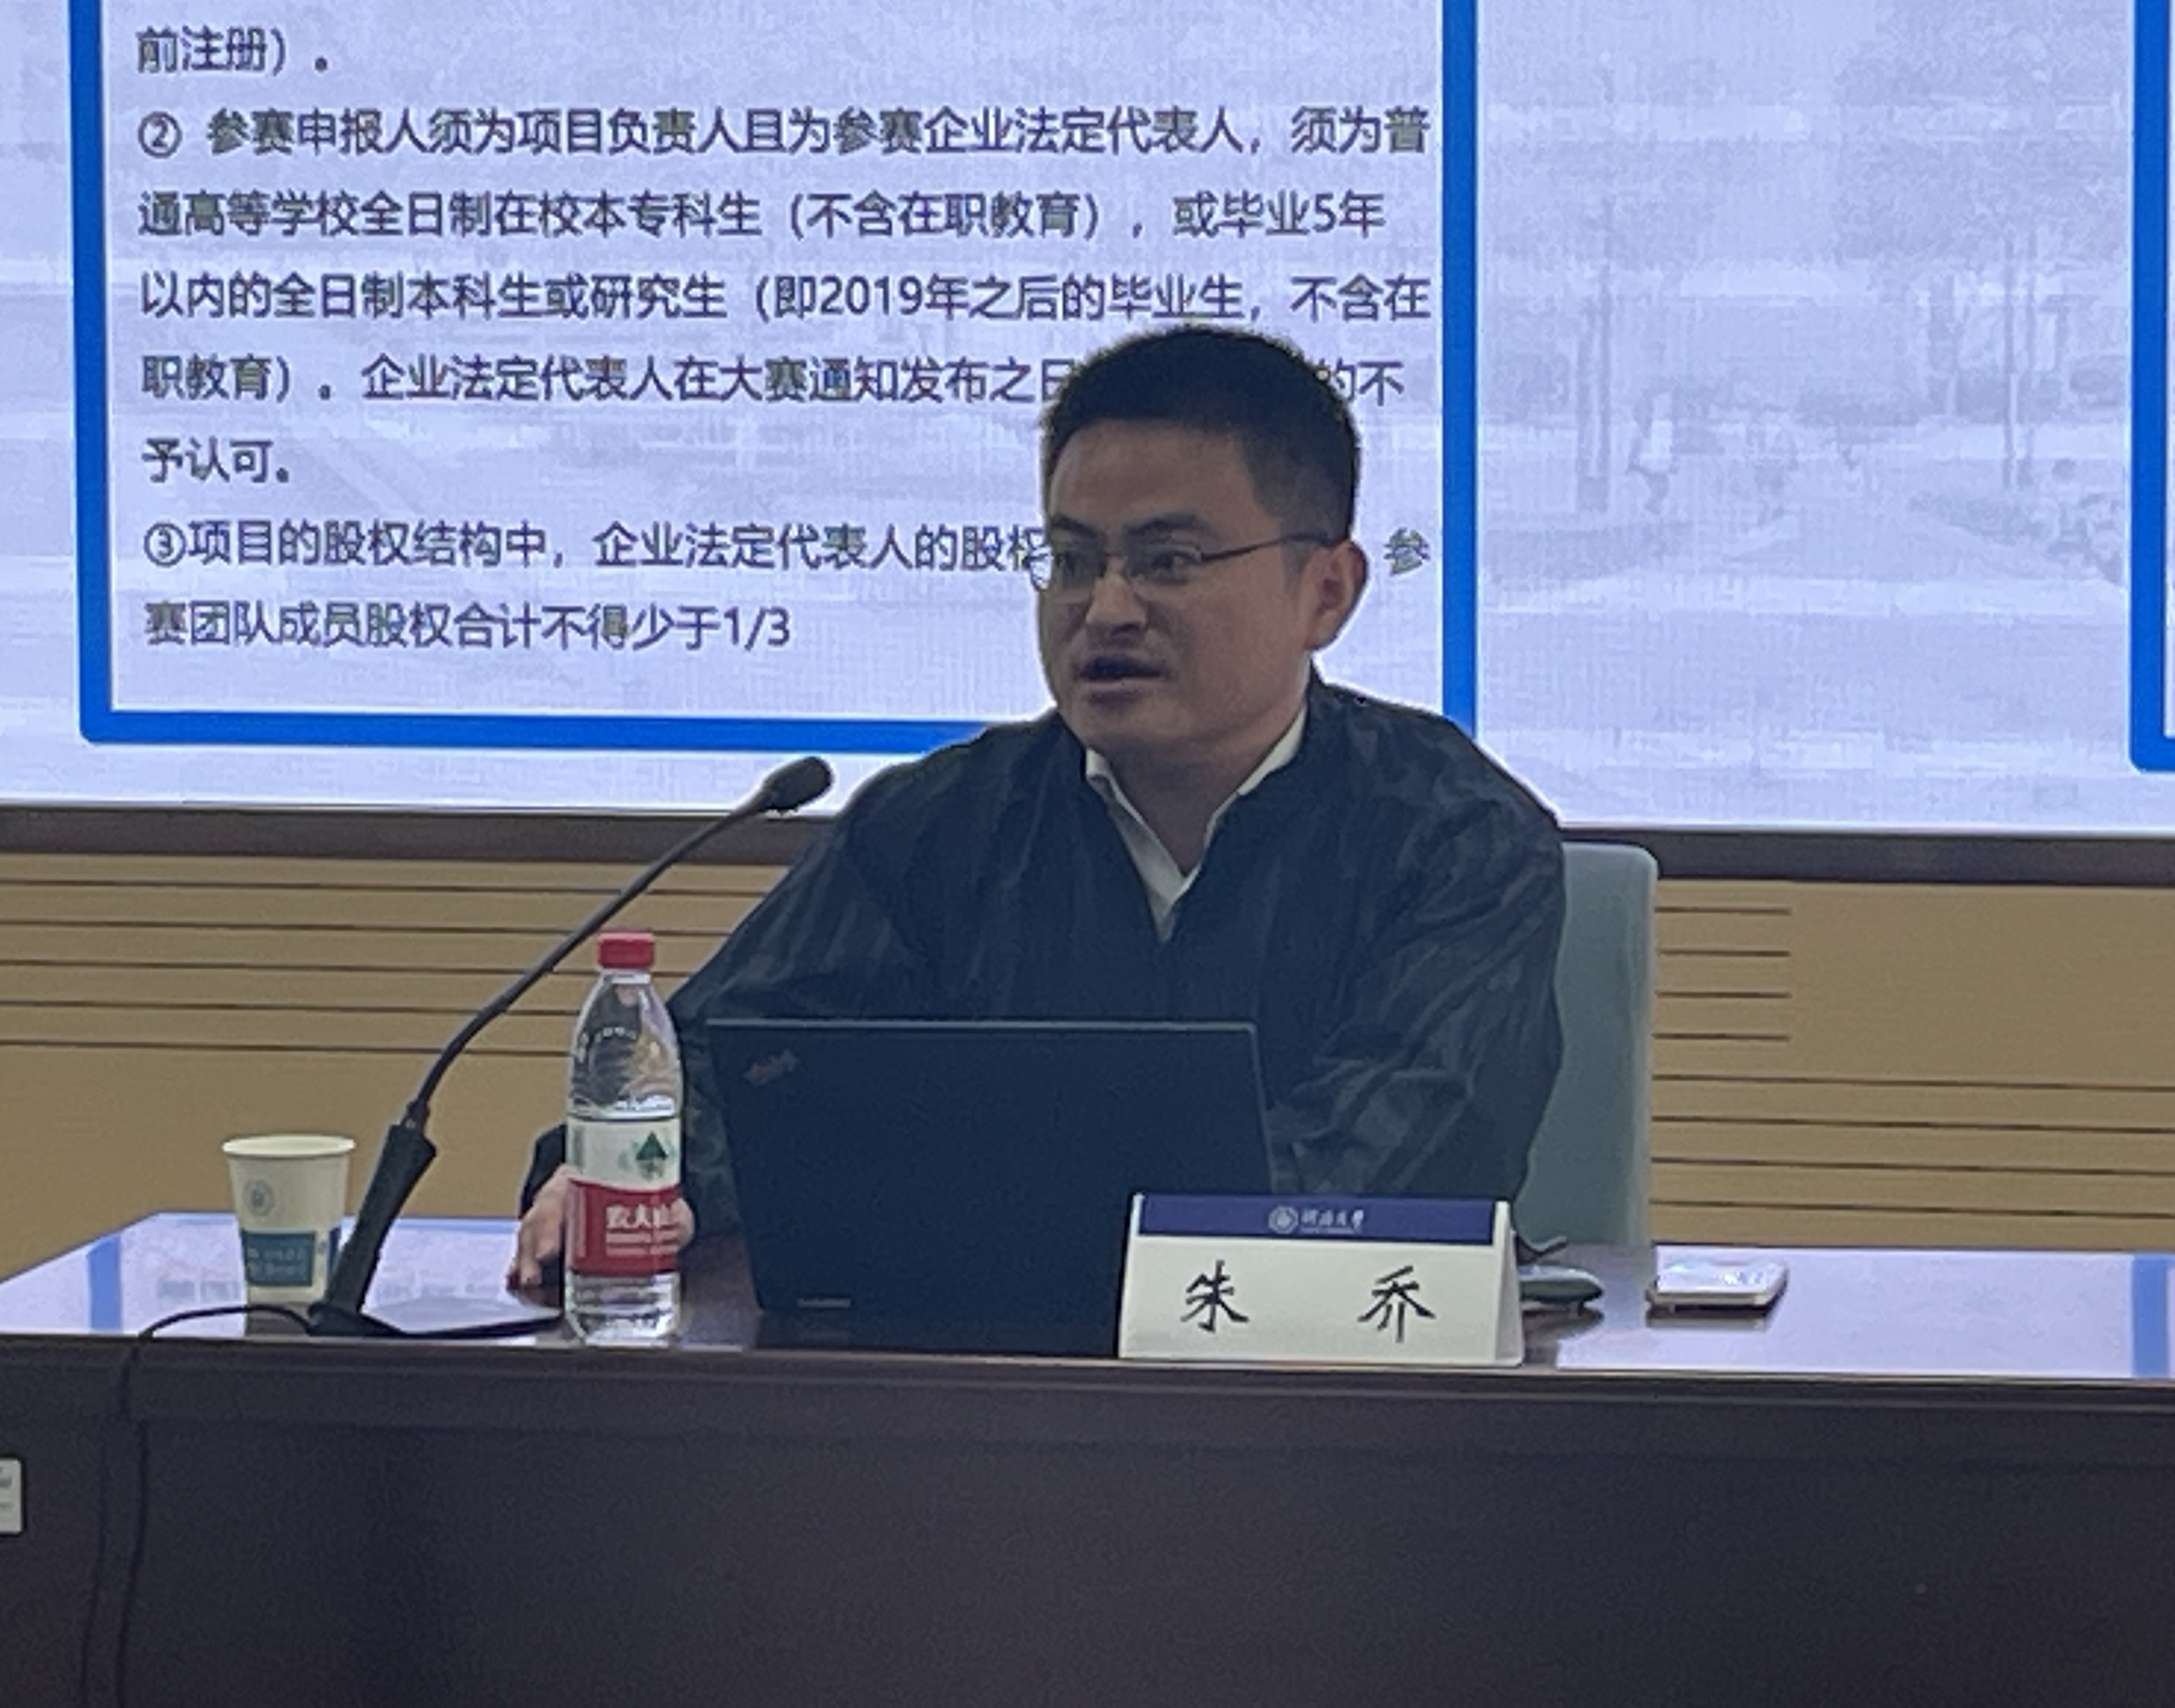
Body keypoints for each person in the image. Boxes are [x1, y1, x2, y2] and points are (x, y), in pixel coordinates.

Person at [509, 325, 1567, 1287]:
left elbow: (1396, 1163)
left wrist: (1040, 1221)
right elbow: (715, 1071)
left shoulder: (1454, 838)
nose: (1106, 609)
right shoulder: (936, 826)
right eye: (1071, 560)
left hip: (1323, 1397)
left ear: (1325, 592)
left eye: (1169, 562)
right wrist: (637, 1177)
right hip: (968, 1394)